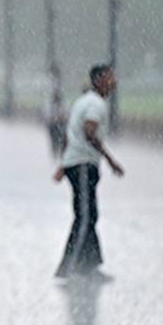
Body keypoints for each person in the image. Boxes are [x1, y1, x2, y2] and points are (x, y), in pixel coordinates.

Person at [53, 64, 124, 280]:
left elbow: (69, 134)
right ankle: (69, 267)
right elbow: (89, 132)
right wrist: (111, 160)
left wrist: (63, 165)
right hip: (83, 164)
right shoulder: (95, 104)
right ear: (99, 79)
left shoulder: (82, 101)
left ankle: (89, 267)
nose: (115, 82)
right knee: (85, 217)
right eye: (111, 77)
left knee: (90, 215)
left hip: (77, 164)